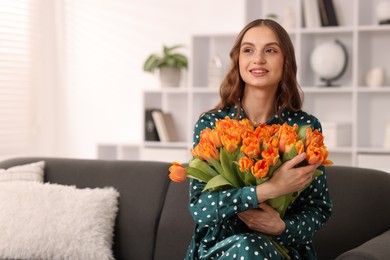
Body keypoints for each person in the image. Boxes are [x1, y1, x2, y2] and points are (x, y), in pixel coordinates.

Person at [186, 19, 333, 260]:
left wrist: (282, 228)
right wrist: (267, 190)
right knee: (247, 247)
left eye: (271, 50)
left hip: (281, 249)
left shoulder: (303, 128)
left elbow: (318, 208)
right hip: (219, 250)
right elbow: (201, 209)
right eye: (248, 50)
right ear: (239, 61)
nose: (258, 59)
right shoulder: (211, 125)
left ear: (286, 61)